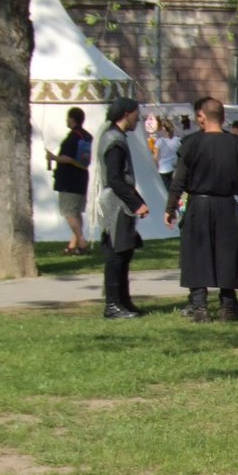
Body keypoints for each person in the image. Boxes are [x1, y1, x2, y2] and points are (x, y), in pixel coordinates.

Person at [165, 96, 238, 321]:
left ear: (202, 117)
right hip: (225, 203)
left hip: (200, 203)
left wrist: (171, 206)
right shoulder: (236, 143)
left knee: (198, 252)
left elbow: (180, 179)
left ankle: (200, 306)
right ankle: (227, 304)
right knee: (226, 252)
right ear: (223, 118)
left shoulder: (192, 144)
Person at [95, 97, 149, 319]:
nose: (139, 118)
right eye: (136, 114)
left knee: (124, 252)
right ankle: (113, 304)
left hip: (121, 202)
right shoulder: (114, 140)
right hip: (116, 204)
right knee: (117, 254)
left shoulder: (116, 137)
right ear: (126, 114)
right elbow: (115, 178)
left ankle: (123, 301)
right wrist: (136, 203)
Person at [46, 106, 92, 253]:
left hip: (69, 179)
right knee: (76, 212)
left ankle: (82, 242)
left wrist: (53, 157)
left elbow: (67, 158)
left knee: (69, 212)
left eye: (68, 118)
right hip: (82, 178)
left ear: (72, 119)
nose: (66, 120)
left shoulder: (73, 137)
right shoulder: (86, 136)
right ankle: (73, 245)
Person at [153, 116, 180, 193]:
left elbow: (155, 157)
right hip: (175, 168)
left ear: (163, 129)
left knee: (165, 191)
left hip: (162, 169)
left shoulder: (159, 141)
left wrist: (155, 167)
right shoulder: (178, 140)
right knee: (175, 191)